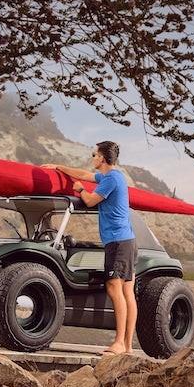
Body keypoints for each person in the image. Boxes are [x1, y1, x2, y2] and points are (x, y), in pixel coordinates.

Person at [41, 141, 137, 355]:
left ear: (102, 158)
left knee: (115, 288)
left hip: (118, 241)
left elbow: (91, 200)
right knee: (128, 291)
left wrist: (80, 189)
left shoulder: (110, 178)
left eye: (94, 154)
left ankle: (120, 342)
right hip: (127, 240)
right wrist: (58, 167)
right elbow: (83, 174)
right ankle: (128, 346)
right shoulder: (114, 176)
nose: (92, 157)